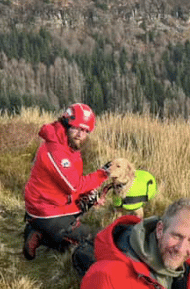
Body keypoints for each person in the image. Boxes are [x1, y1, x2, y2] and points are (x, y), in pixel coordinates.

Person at [22, 103, 122, 260]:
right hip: (45, 210)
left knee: (88, 206)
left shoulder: (68, 145)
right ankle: (39, 231)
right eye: (77, 128)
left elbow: (72, 183)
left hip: (56, 203)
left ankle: (39, 231)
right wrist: (103, 173)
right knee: (92, 239)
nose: (80, 134)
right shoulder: (55, 150)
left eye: (85, 131)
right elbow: (74, 185)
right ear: (66, 123)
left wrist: (89, 197)